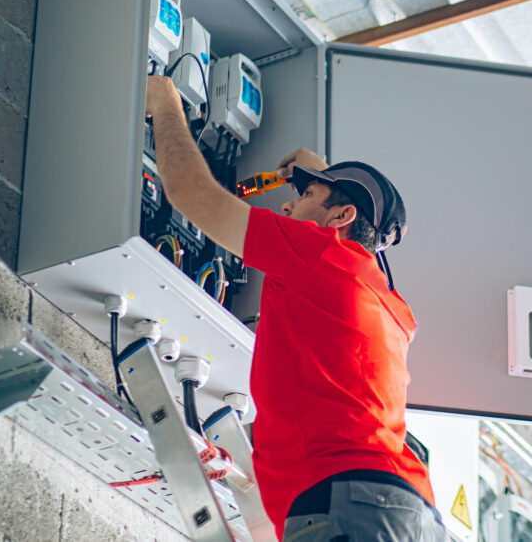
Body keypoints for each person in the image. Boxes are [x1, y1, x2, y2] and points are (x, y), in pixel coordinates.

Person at [145, 76, 450, 541]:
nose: (288, 204)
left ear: (340, 219)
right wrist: (323, 179)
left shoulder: (320, 251)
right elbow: (368, 234)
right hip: (404, 510)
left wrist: (166, 104)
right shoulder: (393, 308)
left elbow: (190, 192)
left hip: (354, 502)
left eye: (305, 197)